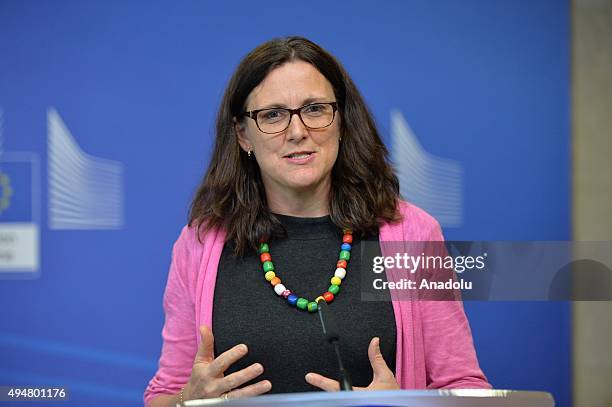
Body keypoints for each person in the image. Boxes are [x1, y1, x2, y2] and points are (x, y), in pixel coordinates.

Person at [144, 36, 490, 407]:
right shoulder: (200, 243)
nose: (297, 131)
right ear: (243, 134)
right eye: (272, 114)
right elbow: (163, 394)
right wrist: (185, 402)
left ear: (341, 120)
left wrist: (408, 405)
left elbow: (466, 385)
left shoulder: (412, 234)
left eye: (314, 109)